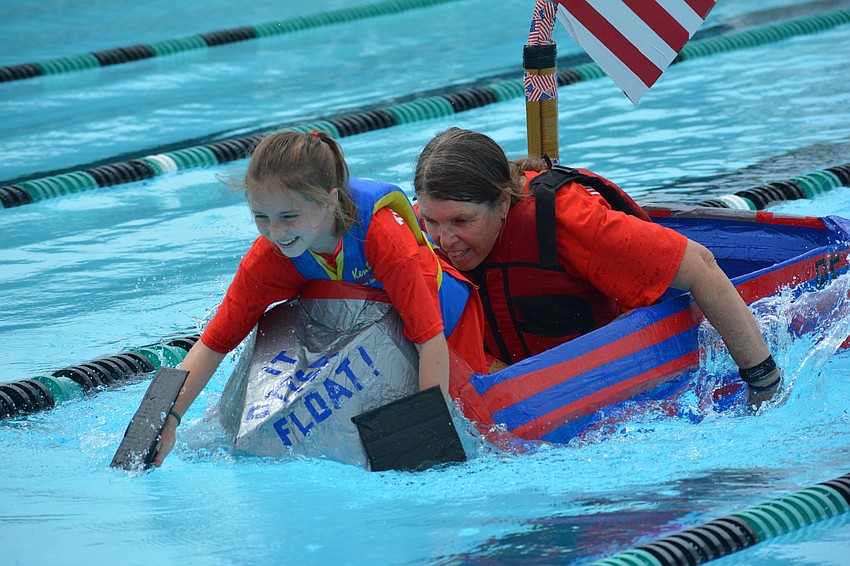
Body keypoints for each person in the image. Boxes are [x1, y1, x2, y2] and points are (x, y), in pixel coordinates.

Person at [152, 130, 489, 466]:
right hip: (371, 339)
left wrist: (427, 438)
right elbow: (215, 342)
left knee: (470, 439)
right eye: (261, 217)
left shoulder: (380, 232)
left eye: (289, 216)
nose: (276, 232)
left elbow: (428, 339)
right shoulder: (271, 255)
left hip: (446, 330)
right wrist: (166, 420)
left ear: (330, 199)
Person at [412, 127, 781, 400]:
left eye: (461, 222)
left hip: (616, 373)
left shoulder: (567, 222)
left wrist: (763, 380)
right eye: (431, 221)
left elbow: (701, 266)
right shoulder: (418, 237)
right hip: (526, 389)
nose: (445, 240)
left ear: (504, 203)